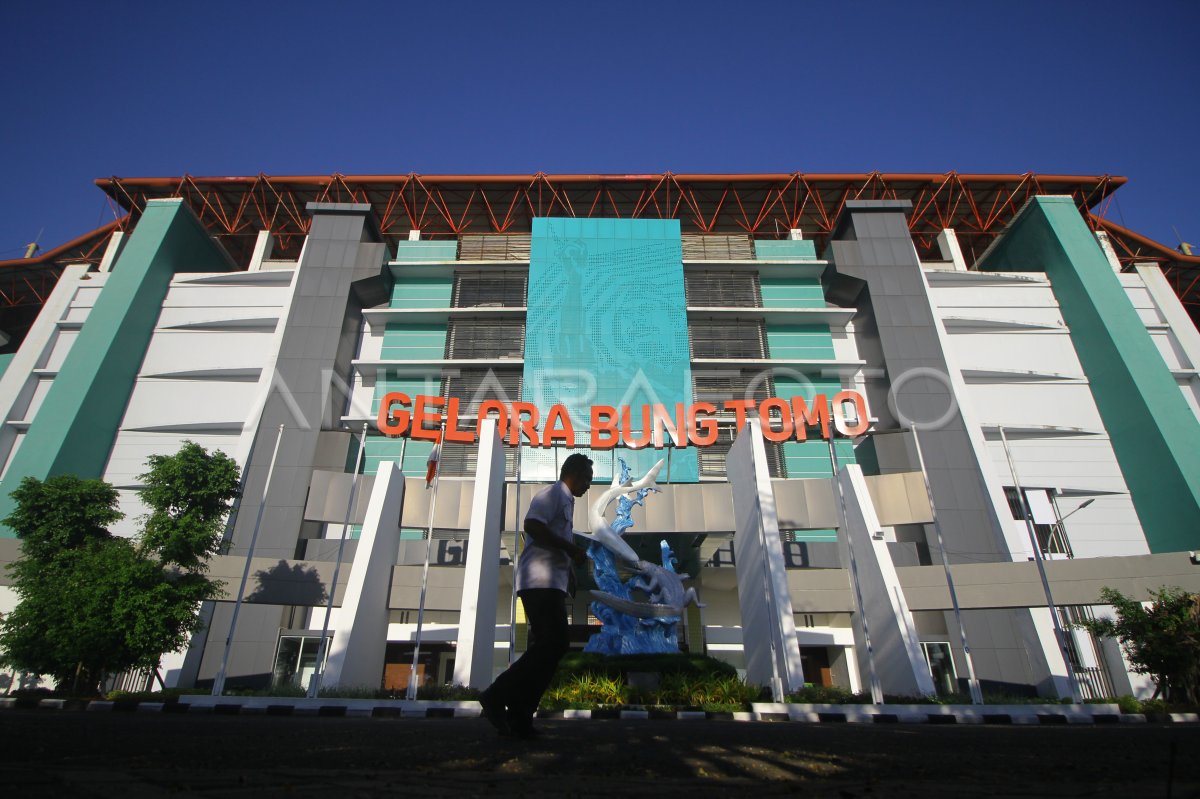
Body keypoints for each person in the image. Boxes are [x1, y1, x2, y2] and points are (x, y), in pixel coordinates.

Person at [479, 453, 593, 738]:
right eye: (588, 480)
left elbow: (558, 539)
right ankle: (497, 695)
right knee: (553, 643)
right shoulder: (551, 494)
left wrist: (570, 572)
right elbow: (532, 525)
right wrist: (570, 550)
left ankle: (520, 717)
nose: (589, 486)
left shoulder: (567, 502)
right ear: (575, 474)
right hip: (537, 581)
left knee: (552, 647)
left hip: (551, 583)